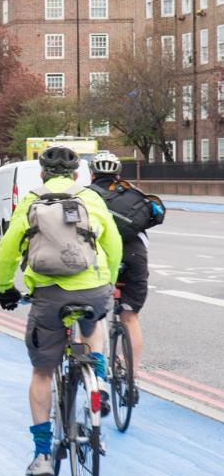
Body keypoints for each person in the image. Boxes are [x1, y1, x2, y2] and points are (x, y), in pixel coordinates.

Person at [0, 147, 122, 476]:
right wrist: (107, 278)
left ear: (42, 174)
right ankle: (100, 382)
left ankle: (41, 455)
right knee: (93, 322)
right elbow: (114, 242)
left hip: (49, 295)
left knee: (42, 372)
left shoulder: (31, 200)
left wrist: (5, 286)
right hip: (93, 288)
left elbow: (8, 249)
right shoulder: (91, 199)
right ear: (78, 174)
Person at [89, 151, 165, 379]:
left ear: (92, 175)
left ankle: (94, 372)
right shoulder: (133, 193)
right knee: (130, 318)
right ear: (118, 174)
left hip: (100, 257)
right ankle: (131, 374)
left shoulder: (87, 196)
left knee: (90, 315)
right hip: (134, 255)